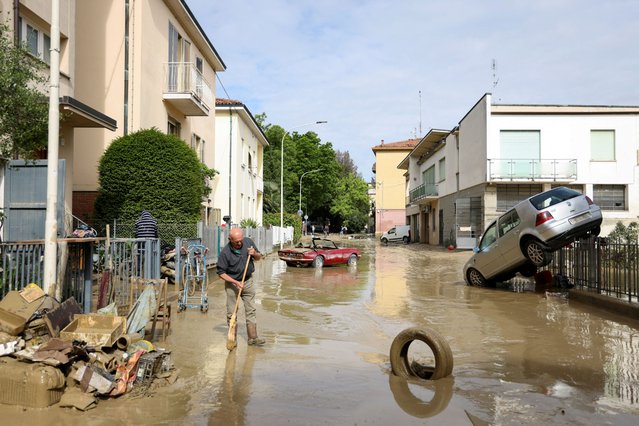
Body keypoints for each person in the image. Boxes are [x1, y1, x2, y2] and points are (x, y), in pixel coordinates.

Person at [217, 228, 265, 346]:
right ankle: (232, 339)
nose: (239, 243)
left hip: (248, 281)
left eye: (240, 240)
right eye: (236, 241)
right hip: (232, 284)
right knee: (231, 312)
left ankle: (253, 338)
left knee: (251, 310)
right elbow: (221, 273)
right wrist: (236, 282)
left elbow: (259, 257)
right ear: (230, 240)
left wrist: (254, 254)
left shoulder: (248, 242)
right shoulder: (225, 253)